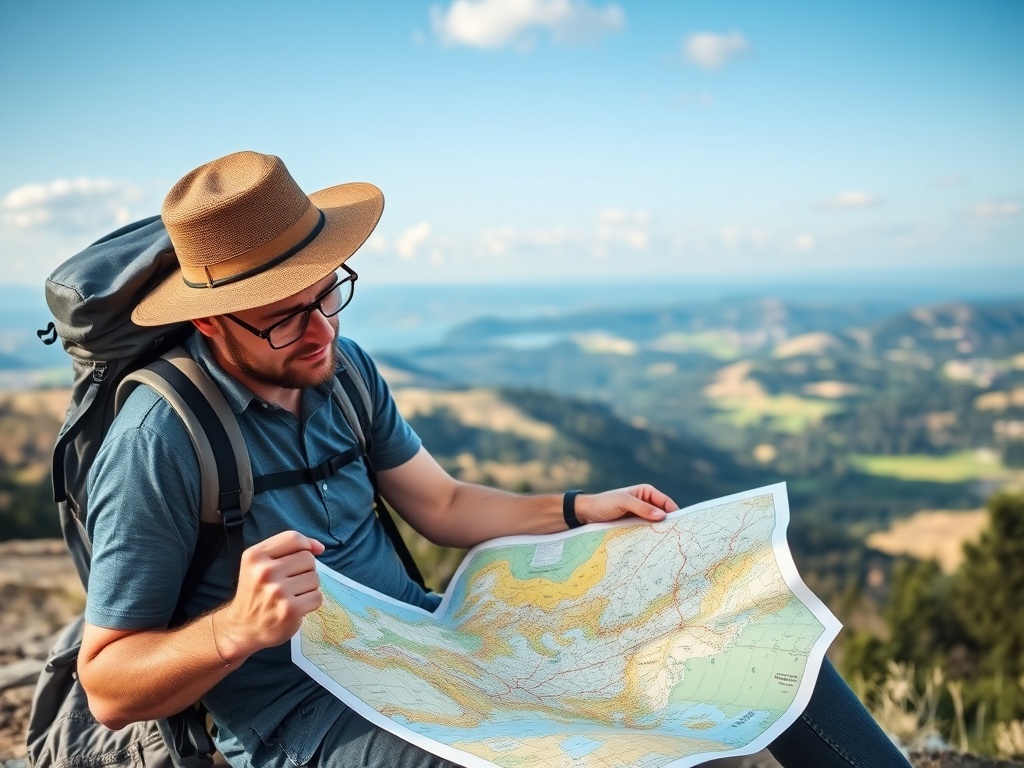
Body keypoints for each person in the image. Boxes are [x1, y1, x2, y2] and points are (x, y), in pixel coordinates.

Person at [77, 151, 910, 768]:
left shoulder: (344, 371)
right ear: (212, 324)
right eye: (284, 319)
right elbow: (110, 686)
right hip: (309, 715)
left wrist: (584, 508)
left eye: (329, 292)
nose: (322, 331)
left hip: (431, 649)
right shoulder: (162, 440)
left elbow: (441, 507)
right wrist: (233, 630)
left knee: (744, 631)